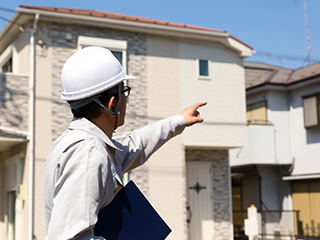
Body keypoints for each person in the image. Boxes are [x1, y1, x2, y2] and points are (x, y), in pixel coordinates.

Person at [44, 46, 206, 239]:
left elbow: (134, 144)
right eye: (125, 91)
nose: (126, 100)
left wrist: (178, 121)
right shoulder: (88, 153)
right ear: (112, 103)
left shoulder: (81, 143)